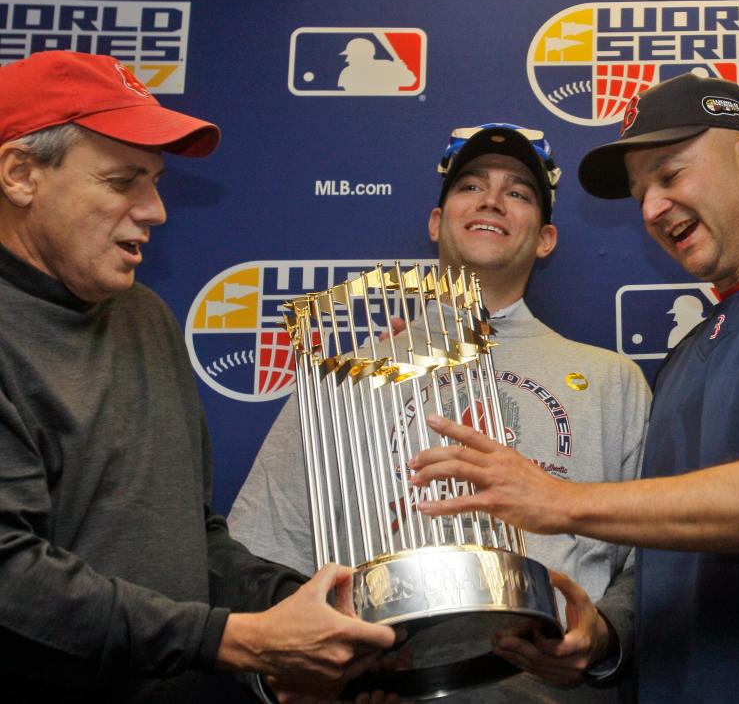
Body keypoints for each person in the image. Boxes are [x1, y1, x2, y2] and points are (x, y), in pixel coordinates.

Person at [408, 74, 739, 702]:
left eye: (669, 176)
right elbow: (674, 565)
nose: (650, 208)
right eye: (641, 193)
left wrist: (556, 499)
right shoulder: (685, 359)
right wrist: (600, 641)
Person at [0, 50, 395, 704]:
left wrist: (304, 604)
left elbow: (188, 534)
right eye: (123, 180)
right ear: (19, 174)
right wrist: (233, 639)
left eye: (154, 180)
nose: (155, 209)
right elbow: (11, 579)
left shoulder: (144, 316)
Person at [229, 123, 652, 701]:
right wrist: (285, 675)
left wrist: (604, 635)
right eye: (470, 186)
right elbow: (261, 551)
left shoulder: (611, 381)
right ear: (437, 222)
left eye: (518, 192)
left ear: (545, 237)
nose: (492, 201)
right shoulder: (346, 378)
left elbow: (654, 562)